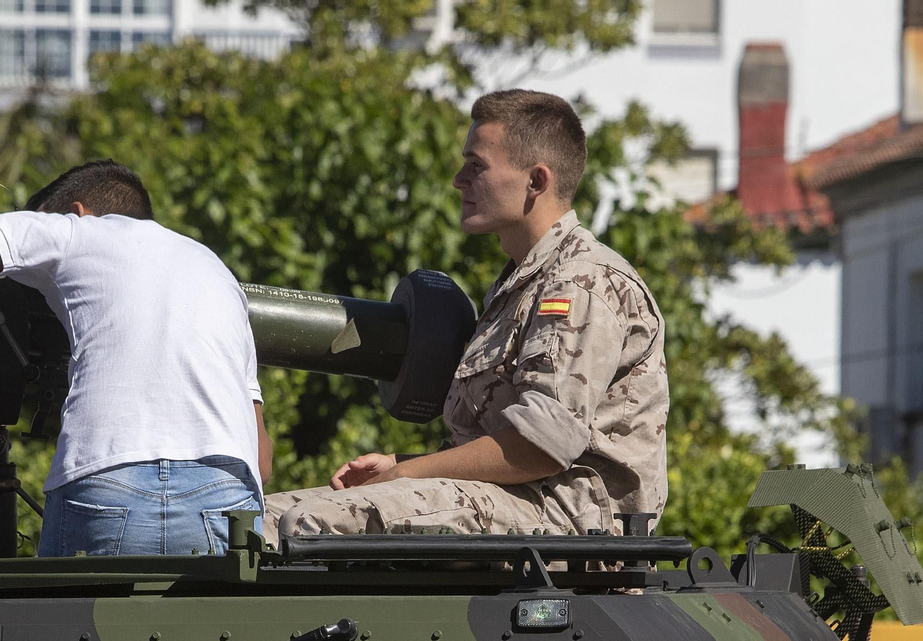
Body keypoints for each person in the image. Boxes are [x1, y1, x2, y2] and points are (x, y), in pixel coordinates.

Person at [263, 90, 668, 543]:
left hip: (570, 525)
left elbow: (540, 447)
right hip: (515, 506)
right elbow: (500, 441)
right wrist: (400, 467)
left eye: (476, 166)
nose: (458, 180)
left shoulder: (579, 283)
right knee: (250, 522)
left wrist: (407, 474)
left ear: (536, 181)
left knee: (305, 525)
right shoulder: (523, 281)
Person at [0, 142, 272, 556]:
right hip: (226, 493)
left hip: (112, 478)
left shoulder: (75, 230)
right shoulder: (219, 273)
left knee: (54, 626)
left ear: (76, 212)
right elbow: (262, 459)